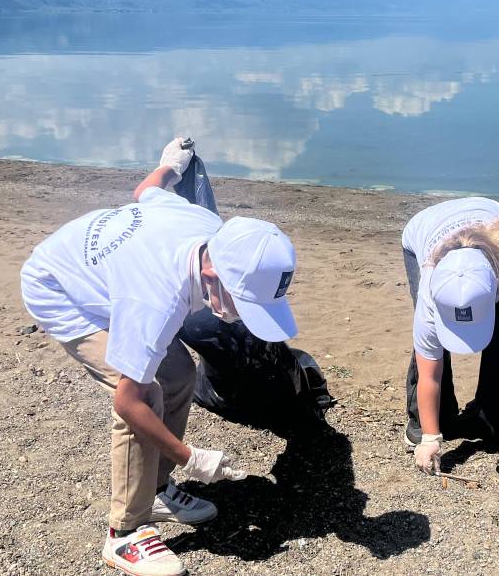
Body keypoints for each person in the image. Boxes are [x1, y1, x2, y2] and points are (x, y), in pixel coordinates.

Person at [20, 138, 299, 576]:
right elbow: (127, 403)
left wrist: (170, 165)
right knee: (144, 393)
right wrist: (192, 457)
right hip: (60, 289)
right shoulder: (156, 299)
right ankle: (124, 533)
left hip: (104, 272)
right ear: (212, 273)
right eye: (244, 301)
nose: (243, 313)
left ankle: (157, 486)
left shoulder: (206, 223)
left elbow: (145, 191)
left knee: (180, 373)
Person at [401, 197, 499, 475]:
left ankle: (493, 412)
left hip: (491, 245)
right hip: (423, 228)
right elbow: (429, 372)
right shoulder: (430, 297)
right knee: (429, 347)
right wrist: (431, 438)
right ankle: (426, 421)